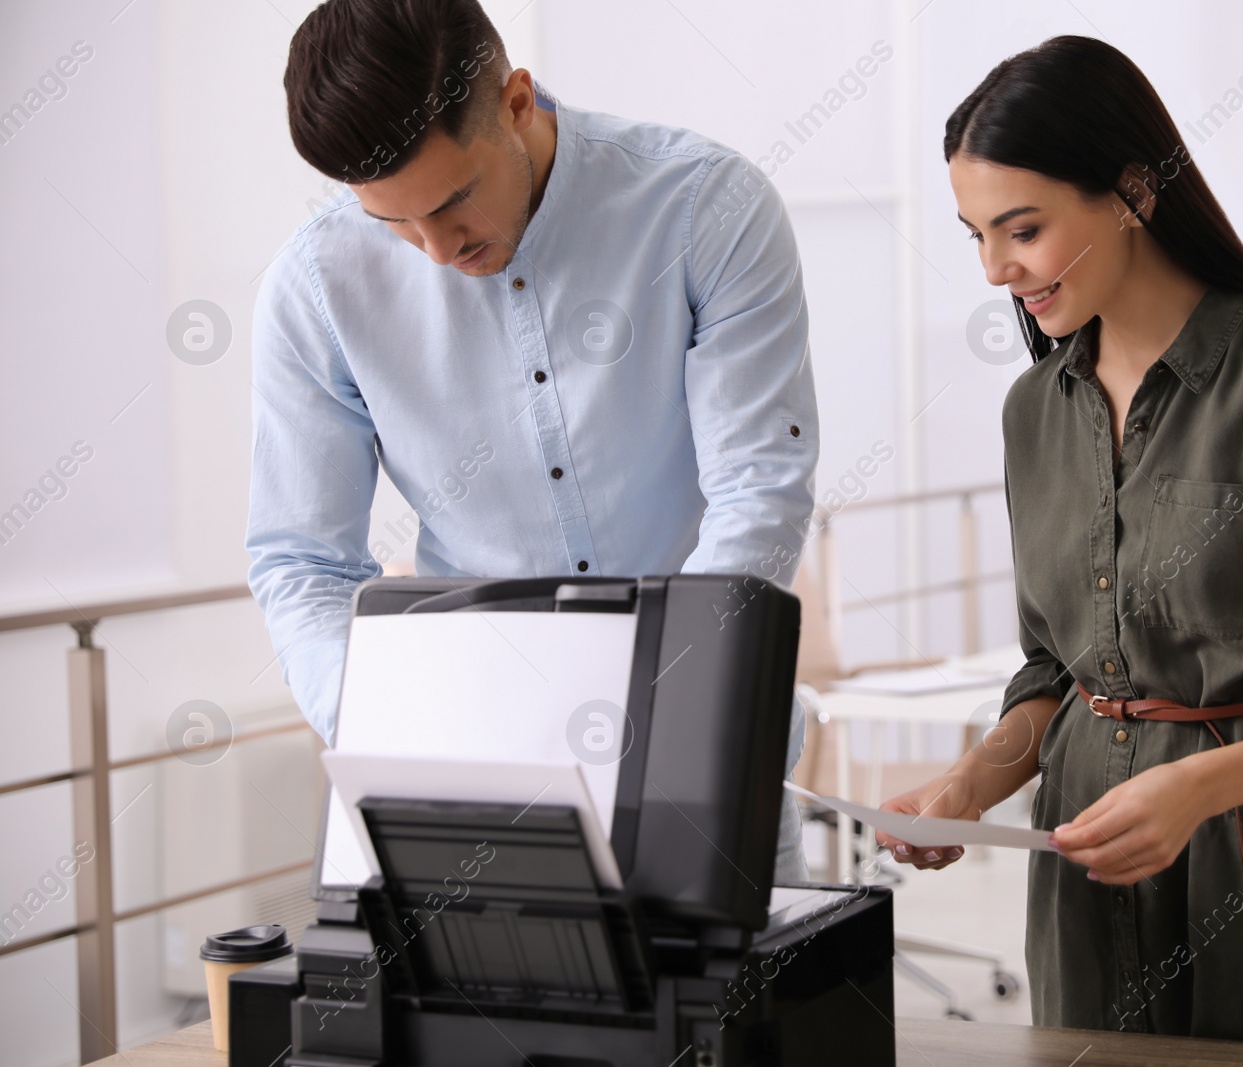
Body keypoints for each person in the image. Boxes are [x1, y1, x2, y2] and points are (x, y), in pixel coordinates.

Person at [878, 36, 1243, 1049]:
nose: (993, 270)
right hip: (1082, 868)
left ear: (1133, 191)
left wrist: (1198, 784)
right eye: (974, 234)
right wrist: (973, 779)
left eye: (1022, 229)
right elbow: (1055, 664)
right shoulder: (1034, 412)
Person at [245, 0, 817, 884]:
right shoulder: (315, 286)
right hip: (471, 777)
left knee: (734, 1021)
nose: (435, 251)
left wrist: (676, 709)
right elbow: (303, 564)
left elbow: (759, 486)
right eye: (392, 222)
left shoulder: (703, 207)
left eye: (453, 201)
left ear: (516, 103)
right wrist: (383, 729)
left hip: (698, 760)